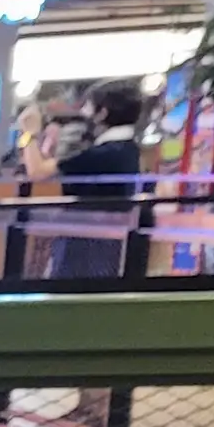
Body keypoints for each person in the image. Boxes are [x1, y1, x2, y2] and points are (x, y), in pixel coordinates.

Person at [49, 82, 146, 280]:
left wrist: (28, 134)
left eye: (88, 106)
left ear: (102, 112)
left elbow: (38, 172)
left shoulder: (105, 153)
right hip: (105, 243)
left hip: (84, 243)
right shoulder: (128, 150)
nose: (84, 113)